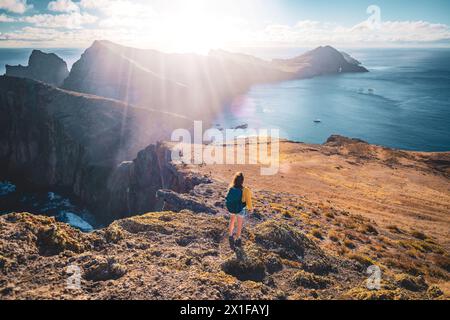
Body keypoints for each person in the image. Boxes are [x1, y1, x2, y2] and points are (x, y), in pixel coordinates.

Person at [225, 172, 253, 247]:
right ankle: (238, 238)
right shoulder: (245, 190)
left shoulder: (231, 188)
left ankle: (230, 235)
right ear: (242, 181)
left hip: (231, 208)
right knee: (239, 224)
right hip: (240, 209)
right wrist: (250, 209)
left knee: (232, 221)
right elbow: (248, 201)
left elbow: (227, 198)